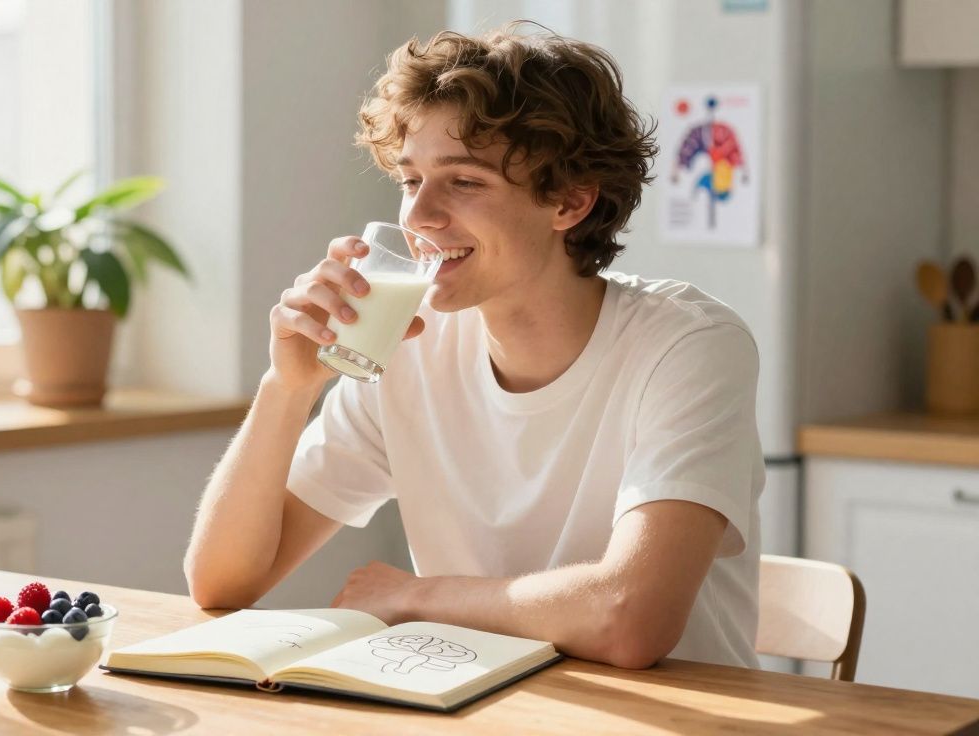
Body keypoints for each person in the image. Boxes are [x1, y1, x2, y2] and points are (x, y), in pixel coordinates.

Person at [183, 24, 764, 670]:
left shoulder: (687, 347)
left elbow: (630, 619)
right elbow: (222, 581)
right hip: (478, 704)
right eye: (411, 181)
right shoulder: (406, 346)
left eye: (463, 181)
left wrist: (416, 597)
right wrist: (287, 388)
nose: (418, 217)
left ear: (571, 201)